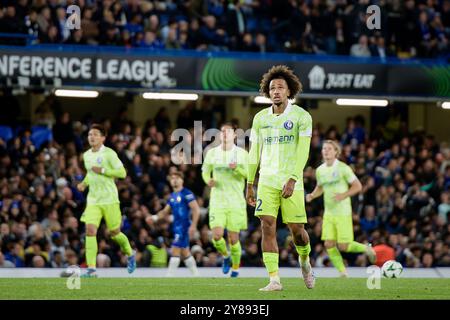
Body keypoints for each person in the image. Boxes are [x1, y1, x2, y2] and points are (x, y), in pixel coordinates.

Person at [246, 65, 315, 291]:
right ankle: (274, 279)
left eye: (280, 88)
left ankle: (304, 260)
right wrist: (249, 183)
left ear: (289, 91)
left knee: (298, 232)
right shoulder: (260, 118)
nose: (276, 91)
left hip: (291, 181)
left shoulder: (301, 117)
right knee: (267, 226)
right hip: (266, 180)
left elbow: (303, 151)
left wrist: (294, 178)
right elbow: (254, 152)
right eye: (272, 88)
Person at [306, 140, 376, 277]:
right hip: (329, 213)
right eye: (324, 148)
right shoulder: (320, 170)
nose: (326, 151)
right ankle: (342, 272)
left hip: (343, 212)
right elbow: (320, 187)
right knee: (329, 243)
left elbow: (358, 186)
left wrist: (343, 195)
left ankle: (366, 248)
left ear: (336, 152)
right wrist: (313, 195)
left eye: (329, 149)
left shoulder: (343, 168)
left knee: (344, 245)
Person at [77, 124, 136, 278]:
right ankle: (91, 269)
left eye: (96, 134)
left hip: (110, 200)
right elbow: (91, 174)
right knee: (90, 231)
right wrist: (84, 183)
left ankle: (130, 254)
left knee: (114, 233)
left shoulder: (109, 154)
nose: (92, 137)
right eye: (90, 134)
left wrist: (103, 170)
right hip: (93, 201)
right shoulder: (86, 155)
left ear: (103, 137)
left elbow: (122, 173)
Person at [201, 122, 249, 277]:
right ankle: (225, 256)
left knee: (234, 239)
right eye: (223, 131)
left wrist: (237, 169)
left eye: (229, 131)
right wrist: (208, 180)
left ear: (235, 135)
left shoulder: (242, 154)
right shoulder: (212, 153)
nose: (225, 134)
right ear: (220, 135)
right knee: (216, 236)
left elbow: (248, 175)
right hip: (217, 200)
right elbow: (205, 171)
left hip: (235, 201)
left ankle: (235, 268)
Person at [149, 171, 200, 277]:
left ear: (182, 180)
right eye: (172, 178)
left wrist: (193, 225)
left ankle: (169, 276)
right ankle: (196, 275)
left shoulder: (187, 193)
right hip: (176, 227)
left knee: (175, 250)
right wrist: (154, 218)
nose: (174, 180)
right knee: (185, 252)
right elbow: (164, 212)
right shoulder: (172, 196)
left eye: (177, 178)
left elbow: (196, 210)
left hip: (184, 226)